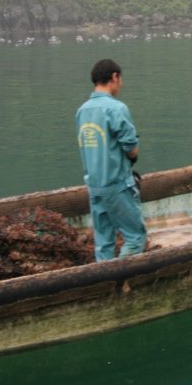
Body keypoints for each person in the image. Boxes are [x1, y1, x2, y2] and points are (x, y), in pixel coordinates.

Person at [76, 59, 148, 261]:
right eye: (120, 79)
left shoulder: (82, 111)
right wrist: (131, 158)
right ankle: (120, 278)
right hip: (117, 184)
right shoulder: (116, 108)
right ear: (114, 77)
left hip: (95, 185)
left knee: (103, 243)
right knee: (135, 238)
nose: (121, 84)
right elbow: (131, 148)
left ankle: (104, 279)